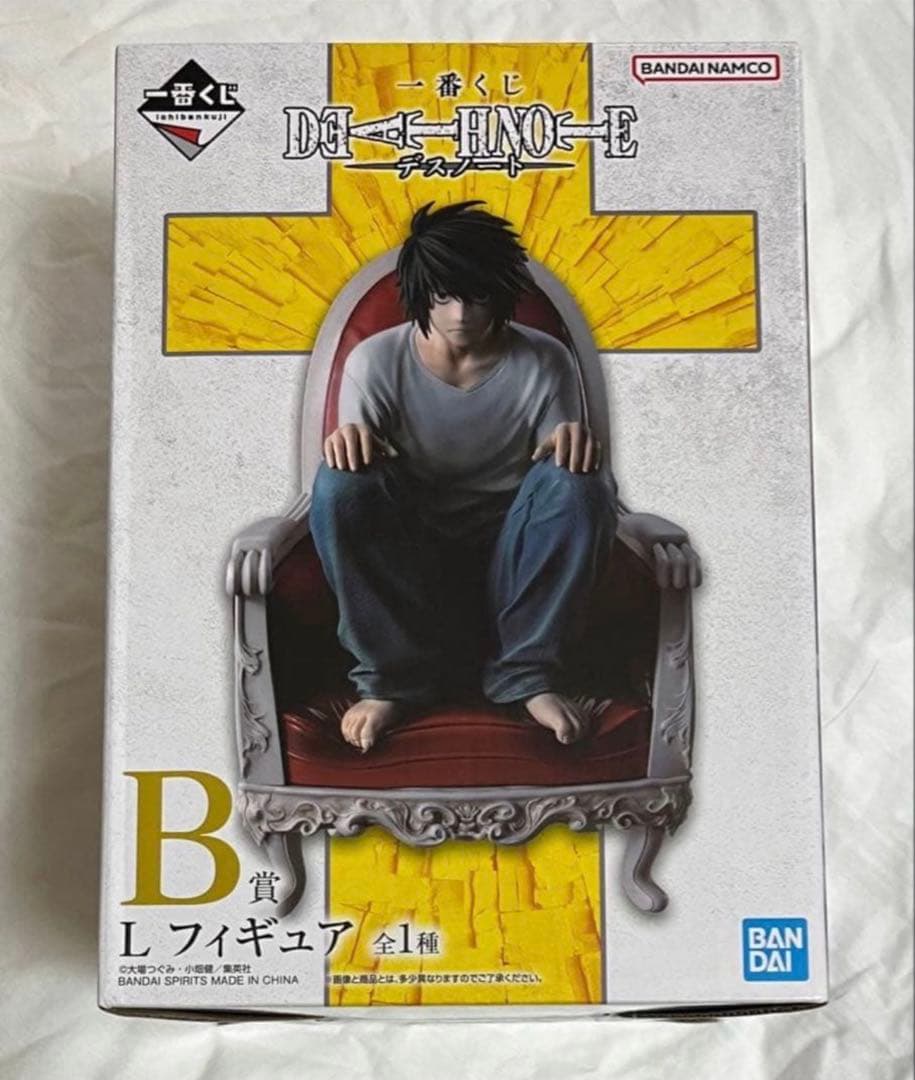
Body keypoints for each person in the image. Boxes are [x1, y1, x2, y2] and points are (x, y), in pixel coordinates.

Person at [309, 201, 616, 753]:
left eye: (476, 296)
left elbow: (561, 482)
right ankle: (391, 681)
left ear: (500, 292)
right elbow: (358, 478)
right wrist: (347, 442)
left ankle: (527, 675)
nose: (459, 314)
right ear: (419, 292)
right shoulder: (375, 361)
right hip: (413, 560)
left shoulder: (545, 360)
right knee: (341, 482)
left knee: (580, 482)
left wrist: (572, 445)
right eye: (443, 296)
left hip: (512, 559)